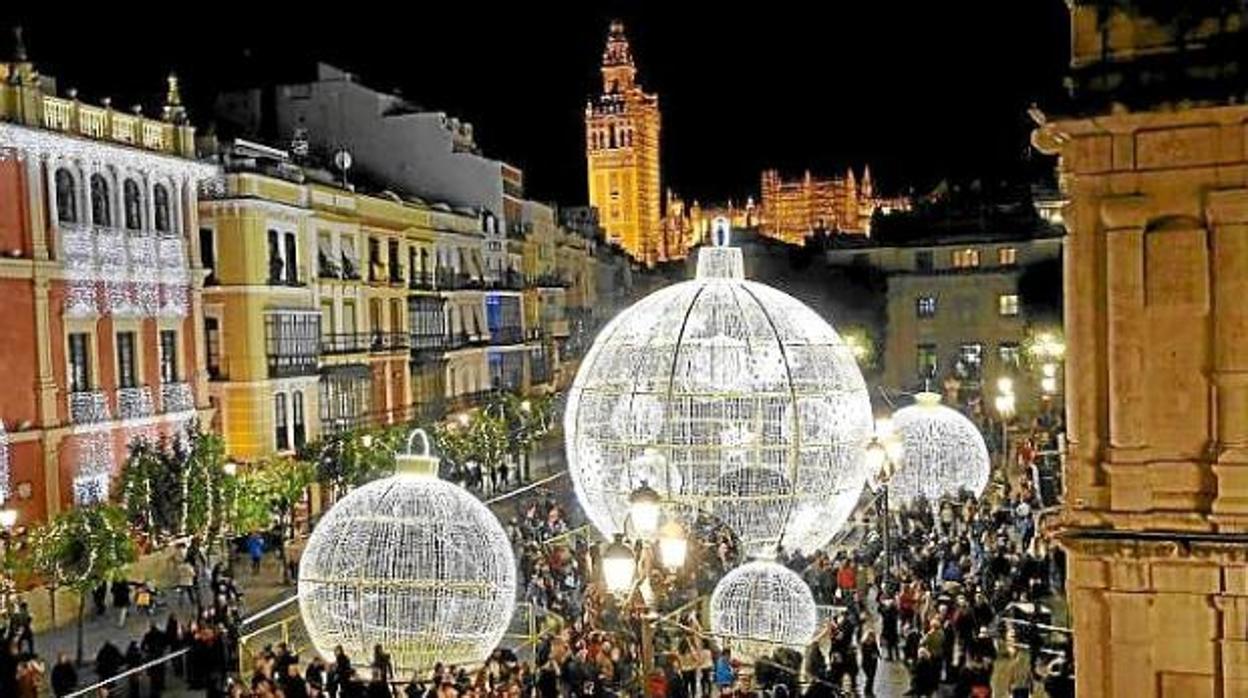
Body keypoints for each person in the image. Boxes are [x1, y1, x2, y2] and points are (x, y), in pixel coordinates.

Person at [860, 631, 880, 697]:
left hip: (874, 663)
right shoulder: (864, 644)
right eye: (871, 637)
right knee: (869, 677)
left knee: (872, 677)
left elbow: (877, 651)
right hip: (866, 664)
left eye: (873, 637)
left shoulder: (874, 643)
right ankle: (866, 690)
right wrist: (871, 654)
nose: (873, 638)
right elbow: (864, 654)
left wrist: (877, 655)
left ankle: (870, 690)